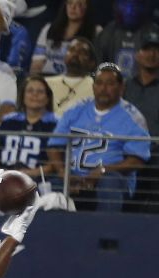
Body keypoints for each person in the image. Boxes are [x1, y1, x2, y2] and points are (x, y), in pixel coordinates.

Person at [47, 62, 150, 212]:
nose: (103, 89)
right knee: (49, 186)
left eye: (110, 84)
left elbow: (137, 161)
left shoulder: (133, 117)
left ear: (121, 88)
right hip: (73, 176)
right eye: (99, 83)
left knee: (109, 182)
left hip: (110, 179)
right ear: (93, 86)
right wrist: (63, 172)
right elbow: (54, 146)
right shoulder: (76, 109)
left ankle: (106, 232)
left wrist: (103, 171)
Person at [0, 75, 58, 178]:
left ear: (47, 98)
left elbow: (55, 164)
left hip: (38, 180)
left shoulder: (56, 124)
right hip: (2, 179)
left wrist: (26, 175)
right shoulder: (8, 121)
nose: (35, 94)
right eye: (30, 91)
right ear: (22, 97)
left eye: (40, 91)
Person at [30, 0, 98, 76]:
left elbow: (94, 65)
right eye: (70, 3)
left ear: (87, 7)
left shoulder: (95, 31)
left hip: (76, 80)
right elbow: (36, 63)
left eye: (79, 4)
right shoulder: (49, 29)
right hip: (46, 79)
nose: (73, 7)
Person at [48, 36, 96, 116]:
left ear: (91, 63)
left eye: (82, 52)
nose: (75, 54)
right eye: (71, 50)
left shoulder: (97, 87)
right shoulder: (46, 83)